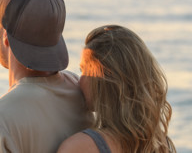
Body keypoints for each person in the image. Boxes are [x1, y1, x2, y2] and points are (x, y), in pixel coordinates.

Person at [0, 0, 92, 153]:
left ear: (5, 36)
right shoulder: (80, 89)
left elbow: (23, 92)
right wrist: (3, 39)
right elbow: (33, 88)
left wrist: (5, 40)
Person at [58, 25, 176, 153]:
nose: (79, 81)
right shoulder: (159, 144)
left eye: (85, 71)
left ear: (105, 81)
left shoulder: (81, 147)